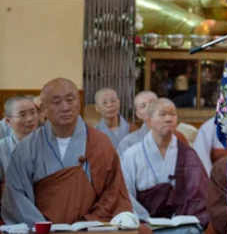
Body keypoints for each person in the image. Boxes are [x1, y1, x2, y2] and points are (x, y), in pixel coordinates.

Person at [1, 78, 132, 225]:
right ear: (43, 109)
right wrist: (42, 227)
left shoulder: (100, 143)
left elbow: (113, 191)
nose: (65, 107)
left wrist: (88, 223)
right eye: (57, 102)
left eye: (70, 100)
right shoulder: (27, 147)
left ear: (79, 102)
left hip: (88, 228)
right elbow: (16, 195)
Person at [122, 98, 208, 232]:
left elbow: (197, 192)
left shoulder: (187, 154)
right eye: (162, 115)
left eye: (173, 114)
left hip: (181, 225)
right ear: (149, 121)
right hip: (144, 224)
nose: (168, 119)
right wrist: (143, 220)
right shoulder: (131, 155)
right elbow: (126, 195)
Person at [118, 92, 188, 156]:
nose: (149, 107)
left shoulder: (178, 137)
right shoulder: (128, 142)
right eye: (143, 106)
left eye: (152, 103)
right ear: (138, 114)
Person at [0, 97, 38, 181]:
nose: (30, 119)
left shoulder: (49, 142)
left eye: (33, 112)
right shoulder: (2, 148)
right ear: (8, 121)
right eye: (22, 115)